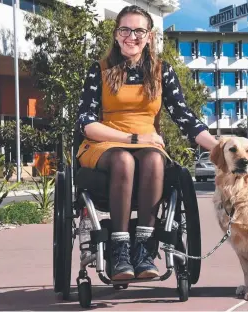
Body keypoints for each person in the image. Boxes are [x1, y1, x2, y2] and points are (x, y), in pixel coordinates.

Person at [76, 5, 218, 281]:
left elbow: (185, 118)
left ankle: (143, 248)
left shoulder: (162, 72)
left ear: (149, 36)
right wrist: (131, 138)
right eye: (125, 30)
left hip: (148, 146)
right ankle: (120, 249)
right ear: (116, 35)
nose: (132, 36)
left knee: (153, 158)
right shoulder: (100, 70)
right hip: (105, 143)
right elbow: (85, 122)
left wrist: (218, 147)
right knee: (123, 159)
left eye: (139, 30)